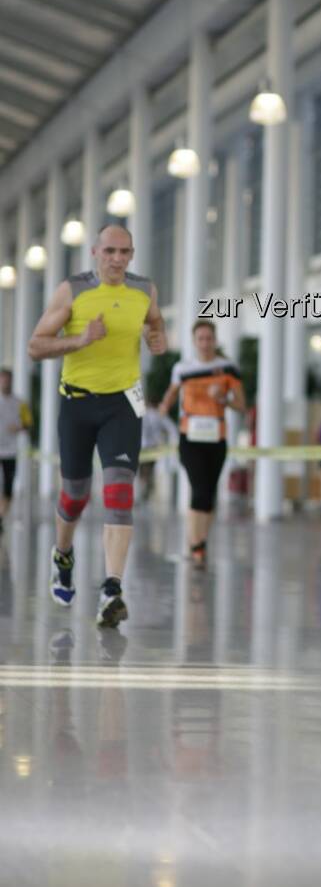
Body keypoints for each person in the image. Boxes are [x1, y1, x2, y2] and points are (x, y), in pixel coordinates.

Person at [28, 223, 167, 627]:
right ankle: (63, 555)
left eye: (125, 252)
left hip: (123, 405)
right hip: (77, 404)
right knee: (75, 495)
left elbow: (154, 322)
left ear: (132, 254)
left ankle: (111, 589)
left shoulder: (145, 290)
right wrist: (80, 340)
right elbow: (36, 345)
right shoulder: (72, 290)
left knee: (120, 492)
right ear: (95, 252)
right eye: (110, 252)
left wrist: (157, 336)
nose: (117, 260)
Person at [158, 319, 245, 568]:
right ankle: (195, 544)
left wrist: (224, 398)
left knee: (209, 494)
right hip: (190, 438)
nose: (205, 343)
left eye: (209, 338)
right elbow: (170, 395)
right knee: (198, 490)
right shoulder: (183, 368)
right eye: (201, 339)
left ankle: (200, 543)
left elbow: (241, 405)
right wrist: (162, 409)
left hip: (216, 438)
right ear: (194, 342)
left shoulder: (228, 369)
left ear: (215, 341)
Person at [0, 367, 31, 533]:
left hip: (10, 451)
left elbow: (28, 424)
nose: (5, 382)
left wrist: (18, 427)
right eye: (2, 379)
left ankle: (1, 517)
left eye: (7, 379)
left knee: (8, 488)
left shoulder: (20, 403)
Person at [139, 397, 178, 502]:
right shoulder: (159, 415)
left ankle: (143, 491)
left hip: (140, 447)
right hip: (153, 449)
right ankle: (145, 490)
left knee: (141, 471)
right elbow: (172, 429)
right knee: (148, 471)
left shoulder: (140, 413)